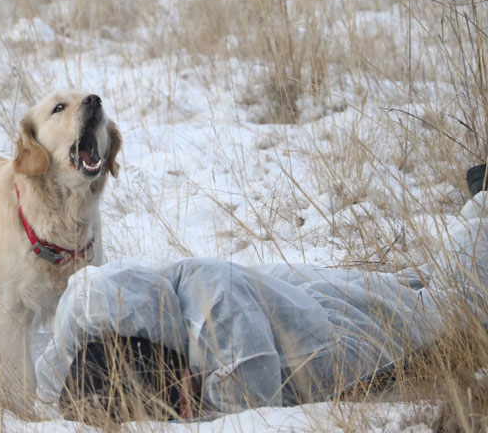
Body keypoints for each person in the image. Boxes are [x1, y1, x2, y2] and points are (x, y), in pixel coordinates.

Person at [35, 166, 488, 424]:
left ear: (177, 381)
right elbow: (56, 371)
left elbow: (254, 417)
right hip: (285, 299)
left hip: (331, 335)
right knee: (416, 280)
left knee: (458, 304)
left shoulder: (219, 319)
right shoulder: (102, 321)